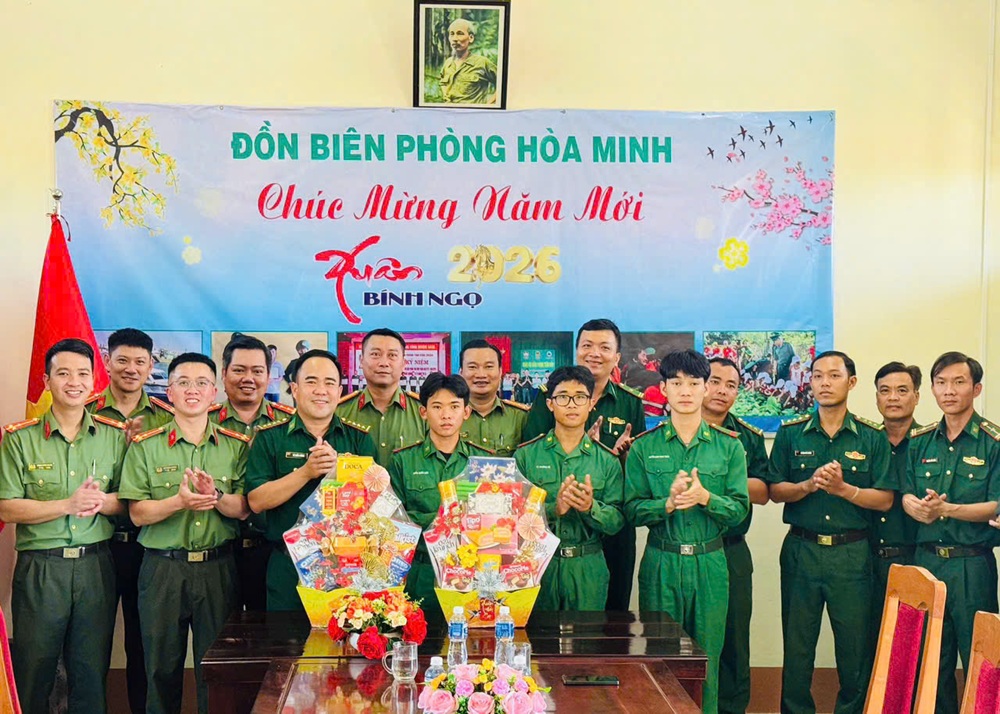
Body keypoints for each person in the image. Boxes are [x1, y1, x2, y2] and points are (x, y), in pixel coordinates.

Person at [118, 352, 252, 714]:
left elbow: (244, 508)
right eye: (183, 383)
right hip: (163, 570)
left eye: (201, 383)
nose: (192, 390)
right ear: (169, 392)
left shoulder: (235, 444)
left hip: (217, 569)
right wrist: (178, 502)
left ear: (214, 393)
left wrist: (216, 496)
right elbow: (137, 513)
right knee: (160, 669)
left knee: (216, 670)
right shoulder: (146, 445)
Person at [0, 338, 128, 713]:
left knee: (90, 671)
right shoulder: (19, 439)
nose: (74, 382)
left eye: (83, 373)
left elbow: (130, 500)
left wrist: (102, 502)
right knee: (34, 669)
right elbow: (6, 507)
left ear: (94, 380)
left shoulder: (113, 436)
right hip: (42, 568)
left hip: (95, 567)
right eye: (64, 373)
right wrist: (67, 505)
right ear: (46, 380)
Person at [766, 350, 893, 714]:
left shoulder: (872, 437)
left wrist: (844, 490)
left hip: (851, 555)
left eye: (834, 375)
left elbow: (885, 499)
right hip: (801, 551)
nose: (825, 382)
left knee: (854, 651)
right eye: (818, 375)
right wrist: (807, 485)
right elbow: (775, 491)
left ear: (851, 382)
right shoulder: (791, 433)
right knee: (797, 648)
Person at [625, 349, 749, 714]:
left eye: (694, 383)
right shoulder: (644, 447)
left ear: (705, 388)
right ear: (663, 389)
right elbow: (631, 509)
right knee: (660, 659)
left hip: (710, 562)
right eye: (676, 383)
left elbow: (739, 509)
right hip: (661, 562)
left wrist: (705, 497)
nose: (685, 391)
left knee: (707, 659)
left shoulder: (729, 446)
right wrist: (666, 503)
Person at [523, 318, 645, 611]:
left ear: (616, 357)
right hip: (546, 545)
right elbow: (533, 451)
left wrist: (618, 458)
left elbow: (638, 468)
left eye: (604, 347)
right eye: (587, 345)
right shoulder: (547, 396)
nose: (595, 353)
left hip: (605, 531)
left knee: (610, 612)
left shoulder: (630, 402)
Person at [902, 352, 1000, 714]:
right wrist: (914, 505)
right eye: (941, 383)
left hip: (971, 565)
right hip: (927, 563)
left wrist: (947, 510)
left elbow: (996, 505)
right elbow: (905, 493)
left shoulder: (992, 442)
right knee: (930, 659)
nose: (949, 390)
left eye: (959, 382)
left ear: (976, 389)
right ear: (931, 389)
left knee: (980, 655)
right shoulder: (920, 440)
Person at [245, 349, 377, 612]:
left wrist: (342, 472)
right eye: (311, 381)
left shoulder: (359, 439)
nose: (321, 390)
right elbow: (256, 501)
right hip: (288, 566)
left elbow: (376, 504)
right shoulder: (271, 437)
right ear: (294, 389)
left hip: (347, 567)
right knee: (284, 637)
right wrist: (306, 472)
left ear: (339, 392)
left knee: (346, 637)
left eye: (329, 383)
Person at [86, 327, 175, 714]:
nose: (131, 368)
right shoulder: (84, 410)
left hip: (148, 545)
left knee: (144, 644)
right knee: (90, 645)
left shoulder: (166, 417)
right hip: (98, 545)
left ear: (151, 365)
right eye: (122, 360)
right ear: (107, 362)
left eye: (140, 361)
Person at [515, 366, 624, 611]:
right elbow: (511, 518)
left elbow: (617, 520)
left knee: (587, 634)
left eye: (580, 397)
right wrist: (553, 510)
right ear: (550, 404)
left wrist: (590, 507)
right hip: (538, 565)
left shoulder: (607, 461)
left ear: (591, 404)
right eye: (563, 397)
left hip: (588, 568)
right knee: (538, 634)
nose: (572, 404)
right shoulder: (525, 456)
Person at [389, 373, 493, 611]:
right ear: (423, 412)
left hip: (472, 573)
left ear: (466, 412)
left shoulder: (483, 462)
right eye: (437, 407)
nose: (446, 415)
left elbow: (495, 518)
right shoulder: (403, 461)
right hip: (421, 571)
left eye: (454, 406)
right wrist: (445, 520)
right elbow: (394, 520)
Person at [702, 358, 769, 714]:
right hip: (683, 550)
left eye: (731, 385)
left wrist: (718, 479)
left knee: (734, 639)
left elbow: (763, 490)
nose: (722, 391)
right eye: (715, 381)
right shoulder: (678, 431)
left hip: (731, 550)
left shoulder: (748, 437)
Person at [210, 334, 296, 613]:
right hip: (220, 552)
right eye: (239, 370)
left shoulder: (290, 423)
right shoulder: (202, 422)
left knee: (272, 634)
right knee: (222, 633)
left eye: (257, 371)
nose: (248, 378)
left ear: (269, 377)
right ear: (224, 374)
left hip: (273, 551)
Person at [869, 362, 921, 651]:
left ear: (916, 396)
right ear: (876, 397)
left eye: (902, 390)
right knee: (867, 645)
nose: (893, 397)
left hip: (915, 558)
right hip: (865, 560)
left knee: (912, 649)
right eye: (885, 391)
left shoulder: (930, 443)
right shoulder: (864, 441)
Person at [337, 328, 425, 466]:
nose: (384, 363)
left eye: (392, 355)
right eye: (375, 354)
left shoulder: (424, 413)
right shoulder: (339, 412)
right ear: (361, 360)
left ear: (403, 364)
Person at [459, 339, 528, 457]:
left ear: (500, 372)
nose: (481, 375)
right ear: (461, 372)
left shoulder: (521, 417)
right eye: (472, 367)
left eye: (489, 366)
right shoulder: (447, 416)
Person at [439, 18, 497, 105]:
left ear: (471, 38)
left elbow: (505, 84)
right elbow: (443, 83)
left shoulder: (482, 63)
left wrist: (488, 105)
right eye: (452, 34)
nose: (455, 38)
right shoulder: (448, 63)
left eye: (460, 33)